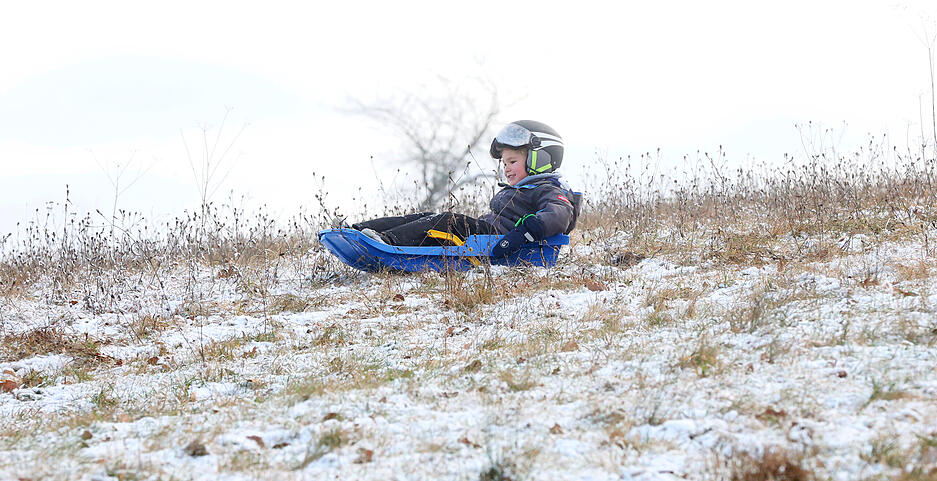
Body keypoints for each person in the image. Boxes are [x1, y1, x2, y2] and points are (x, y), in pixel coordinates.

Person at [341, 120, 581, 258]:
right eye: (504, 163)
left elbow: (560, 213)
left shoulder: (549, 188)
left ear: (541, 159)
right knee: (430, 218)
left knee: (446, 220)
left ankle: (386, 243)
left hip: (503, 242)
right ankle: (362, 231)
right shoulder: (524, 187)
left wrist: (526, 232)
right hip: (489, 236)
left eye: (512, 162)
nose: (506, 169)